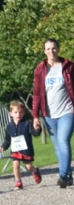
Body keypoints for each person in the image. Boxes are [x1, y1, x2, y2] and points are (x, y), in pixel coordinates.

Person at [32, 38, 74, 188]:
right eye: (48, 49)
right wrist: (35, 116)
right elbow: (37, 94)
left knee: (63, 141)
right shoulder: (40, 70)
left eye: (54, 48)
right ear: (44, 51)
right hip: (49, 115)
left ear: (58, 49)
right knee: (57, 146)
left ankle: (63, 175)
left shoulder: (68, 66)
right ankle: (68, 175)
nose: (51, 51)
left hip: (67, 111)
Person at [0, 100, 42, 190]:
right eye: (16, 112)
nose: (18, 114)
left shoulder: (27, 123)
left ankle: (35, 171)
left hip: (26, 150)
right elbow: (7, 140)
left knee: (28, 167)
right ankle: (18, 182)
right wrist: (3, 147)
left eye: (21, 112)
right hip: (16, 150)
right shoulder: (9, 126)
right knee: (16, 165)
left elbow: (34, 133)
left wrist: (37, 128)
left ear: (24, 113)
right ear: (11, 113)